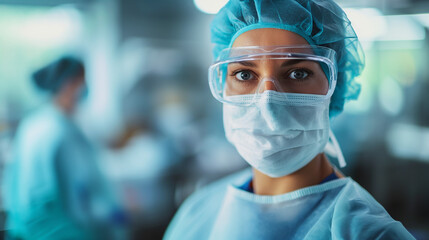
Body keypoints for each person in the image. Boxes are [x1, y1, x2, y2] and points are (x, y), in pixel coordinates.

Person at [163, 0, 415, 239]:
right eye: (243, 74)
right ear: (222, 83)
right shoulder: (198, 211)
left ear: (333, 88)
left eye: (298, 73)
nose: (267, 103)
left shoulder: (368, 234)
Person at [2, 56, 123, 239]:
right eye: (82, 82)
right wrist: (114, 217)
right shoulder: (61, 132)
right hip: (64, 233)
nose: (85, 88)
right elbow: (80, 198)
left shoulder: (32, 125)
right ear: (69, 84)